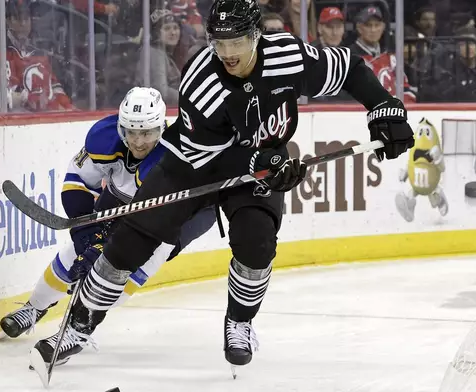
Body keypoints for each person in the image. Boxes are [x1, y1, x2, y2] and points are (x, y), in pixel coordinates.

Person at [37, 0, 415, 373]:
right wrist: (264, 164)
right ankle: (78, 325)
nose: (228, 53)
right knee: (130, 242)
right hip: (191, 164)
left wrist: (383, 107)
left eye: (237, 42)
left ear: (257, 36)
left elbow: (349, 68)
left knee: (257, 242)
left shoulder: (289, 56)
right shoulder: (202, 79)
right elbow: (210, 160)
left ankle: (240, 322)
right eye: (219, 43)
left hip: (262, 156)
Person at [0, 87, 217, 361]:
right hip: (119, 197)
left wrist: (103, 250)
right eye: (131, 132)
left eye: (147, 133)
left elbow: (146, 226)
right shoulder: (105, 137)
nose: (138, 142)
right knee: (74, 256)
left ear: (162, 128)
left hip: (173, 219)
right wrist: (88, 237)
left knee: (117, 278)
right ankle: (34, 307)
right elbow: (76, 182)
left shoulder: (173, 157)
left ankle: (76, 331)